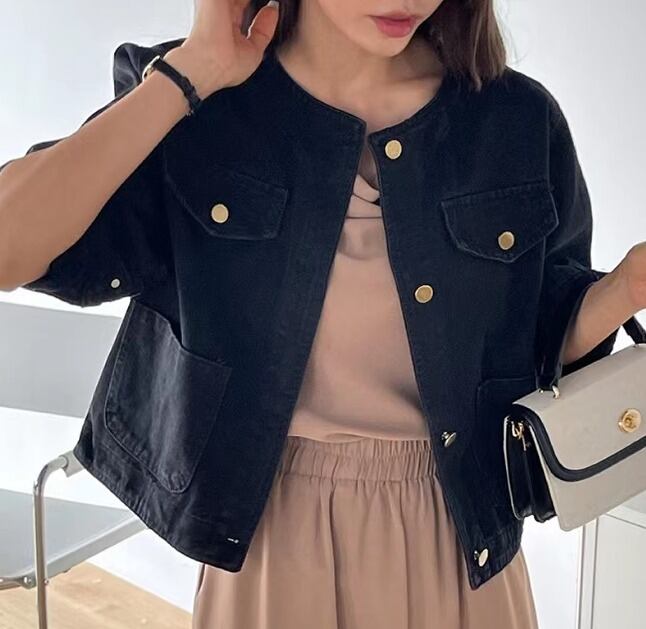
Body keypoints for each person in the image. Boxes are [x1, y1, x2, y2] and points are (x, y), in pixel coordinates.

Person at [1, 1, 645, 628]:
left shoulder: (516, 120)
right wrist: (190, 72)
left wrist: (624, 289)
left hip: (462, 539)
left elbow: (542, 343)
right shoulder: (204, 106)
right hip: (269, 540)